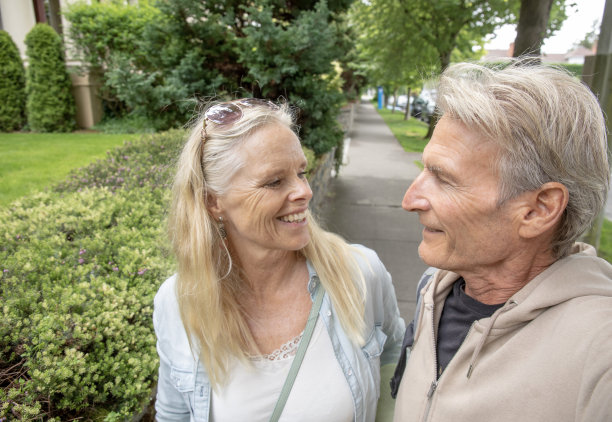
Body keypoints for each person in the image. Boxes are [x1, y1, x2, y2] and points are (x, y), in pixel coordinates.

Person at [153, 98, 405, 421]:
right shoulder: (178, 303)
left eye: (300, 172)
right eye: (274, 181)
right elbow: (173, 415)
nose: (304, 191)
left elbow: (394, 363)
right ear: (214, 202)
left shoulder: (359, 274)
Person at [391, 61, 612, 421]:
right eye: (424, 170)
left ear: (539, 209)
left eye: (444, 179)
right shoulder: (433, 288)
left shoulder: (601, 354)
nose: (410, 200)